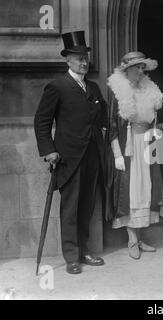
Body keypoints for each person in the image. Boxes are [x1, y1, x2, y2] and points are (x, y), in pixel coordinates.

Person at [34, 31, 107, 274]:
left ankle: (84, 250)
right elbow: (42, 121)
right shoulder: (57, 86)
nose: (83, 61)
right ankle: (72, 257)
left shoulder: (94, 88)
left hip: (91, 156)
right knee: (70, 208)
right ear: (68, 60)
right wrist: (49, 151)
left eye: (85, 57)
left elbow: (102, 117)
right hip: (68, 158)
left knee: (86, 206)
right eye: (78, 58)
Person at [107, 51, 163, 260]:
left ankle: (140, 238)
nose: (141, 71)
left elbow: (154, 118)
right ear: (127, 69)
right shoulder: (119, 91)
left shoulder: (148, 90)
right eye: (137, 67)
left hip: (146, 143)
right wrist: (117, 155)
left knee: (145, 189)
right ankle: (132, 239)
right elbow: (112, 126)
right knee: (131, 191)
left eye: (143, 67)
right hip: (128, 145)